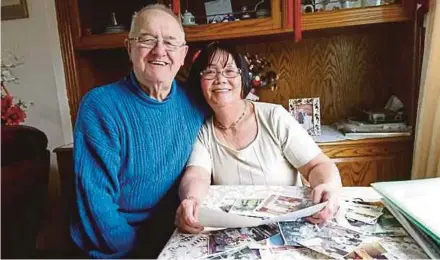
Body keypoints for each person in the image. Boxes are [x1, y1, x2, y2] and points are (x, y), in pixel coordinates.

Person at [71, 4, 205, 258]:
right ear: (128, 48)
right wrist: (141, 253)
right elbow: (96, 203)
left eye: (170, 42)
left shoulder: (195, 102)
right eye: (147, 40)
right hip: (115, 245)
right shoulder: (100, 106)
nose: (160, 51)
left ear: (184, 53)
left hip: (175, 237)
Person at [175, 42, 342, 234]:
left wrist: (327, 187)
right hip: (239, 232)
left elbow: (317, 165)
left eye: (230, 70)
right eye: (210, 72)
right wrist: (191, 200)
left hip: (291, 227)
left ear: (243, 78)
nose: (220, 79)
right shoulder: (203, 130)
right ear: (199, 81)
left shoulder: (274, 117)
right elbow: (197, 175)